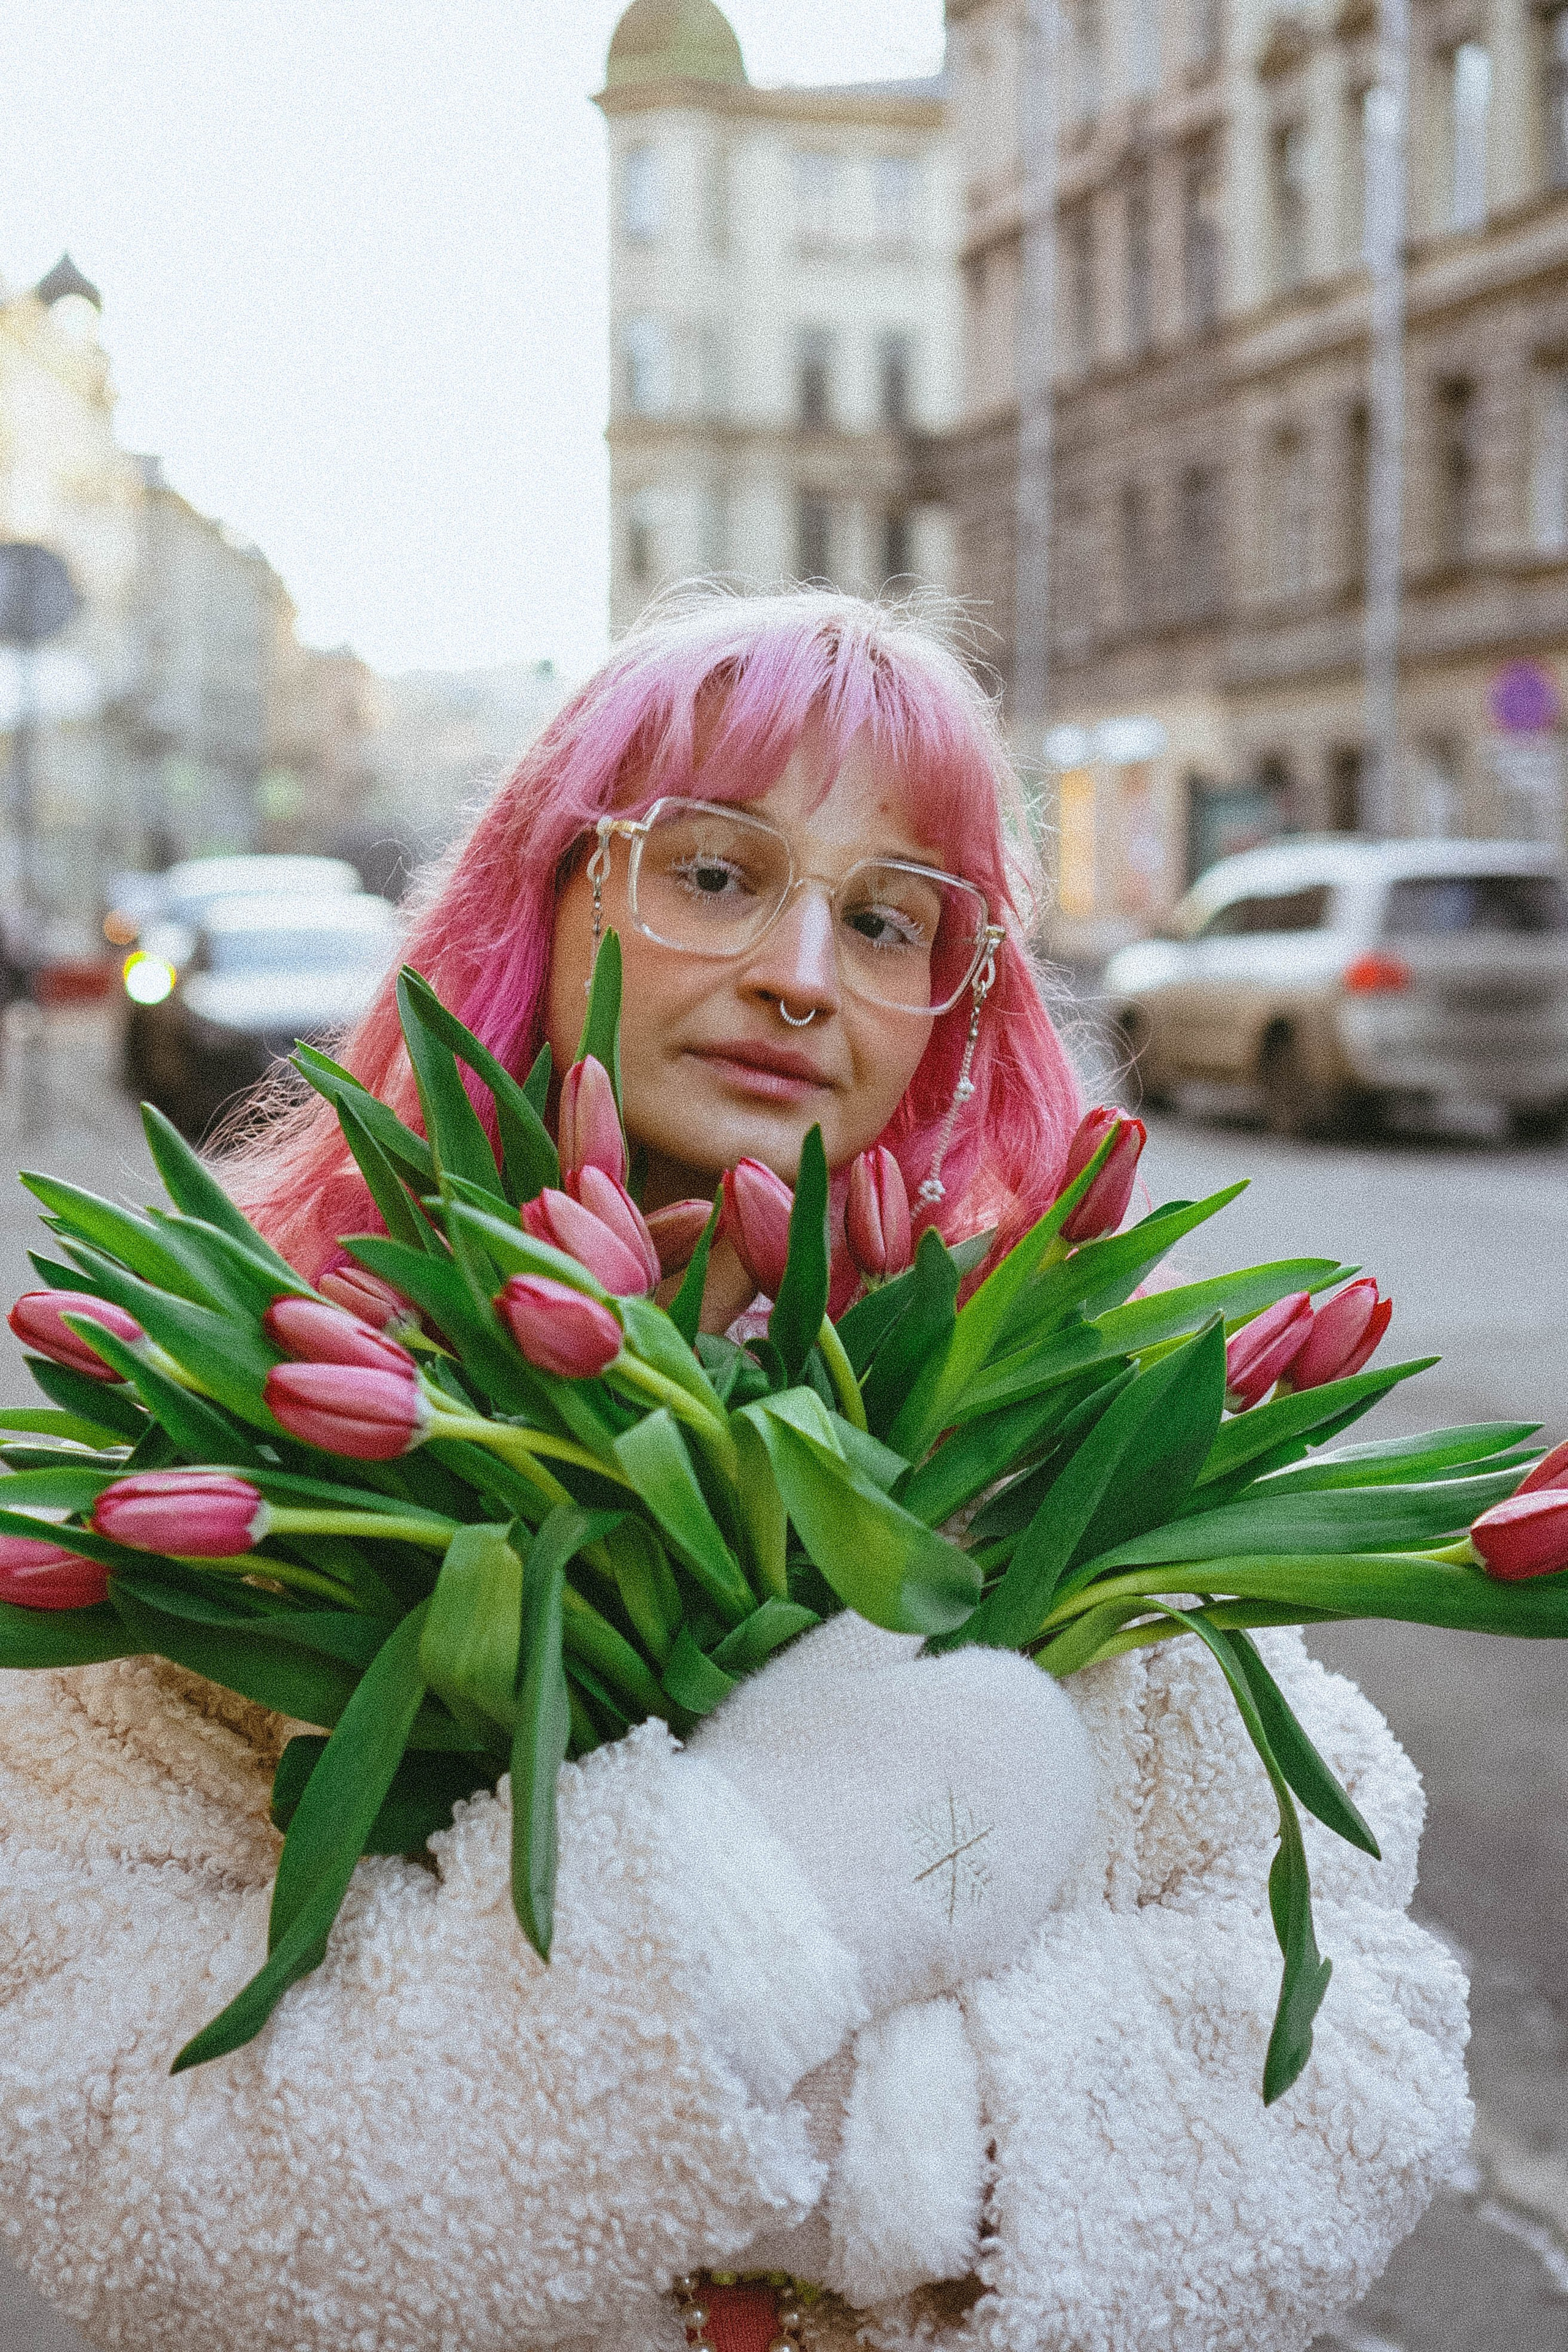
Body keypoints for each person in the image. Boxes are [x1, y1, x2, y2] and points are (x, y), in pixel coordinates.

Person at [0, 590, 1468, 2352]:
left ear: (956, 1006)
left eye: (888, 919)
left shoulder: (1070, 1456)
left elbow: (1365, 2056)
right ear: (543, 896)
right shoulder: (271, 1449)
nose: (802, 973)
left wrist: (896, 2149)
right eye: (714, 873)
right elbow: (105, 2148)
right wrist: (760, 1908)